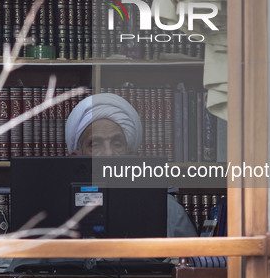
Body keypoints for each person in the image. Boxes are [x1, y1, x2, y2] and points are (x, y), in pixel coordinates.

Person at [65, 93, 197, 238]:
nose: (108, 153)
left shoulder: (167, 210)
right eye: (95, 144)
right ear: (76, 158)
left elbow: (191, 259)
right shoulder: (57, 212)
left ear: (131, 156)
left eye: (117, 143)